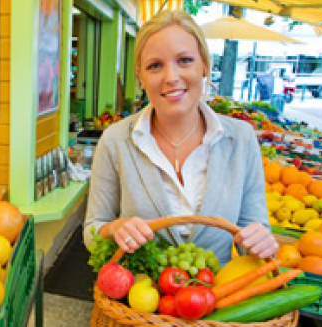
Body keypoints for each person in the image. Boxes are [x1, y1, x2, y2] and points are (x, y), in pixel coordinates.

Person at [83, 10, 278, 266]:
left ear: (204, 66)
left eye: (185, 60)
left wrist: (261, 242)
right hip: (136, 300)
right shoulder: (116, 140)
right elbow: (91, 231)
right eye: (155, 66)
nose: (171, 77)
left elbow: (255, 230)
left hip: (219, 298)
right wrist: (114, 229)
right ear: (140, 76)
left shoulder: (241, 139)